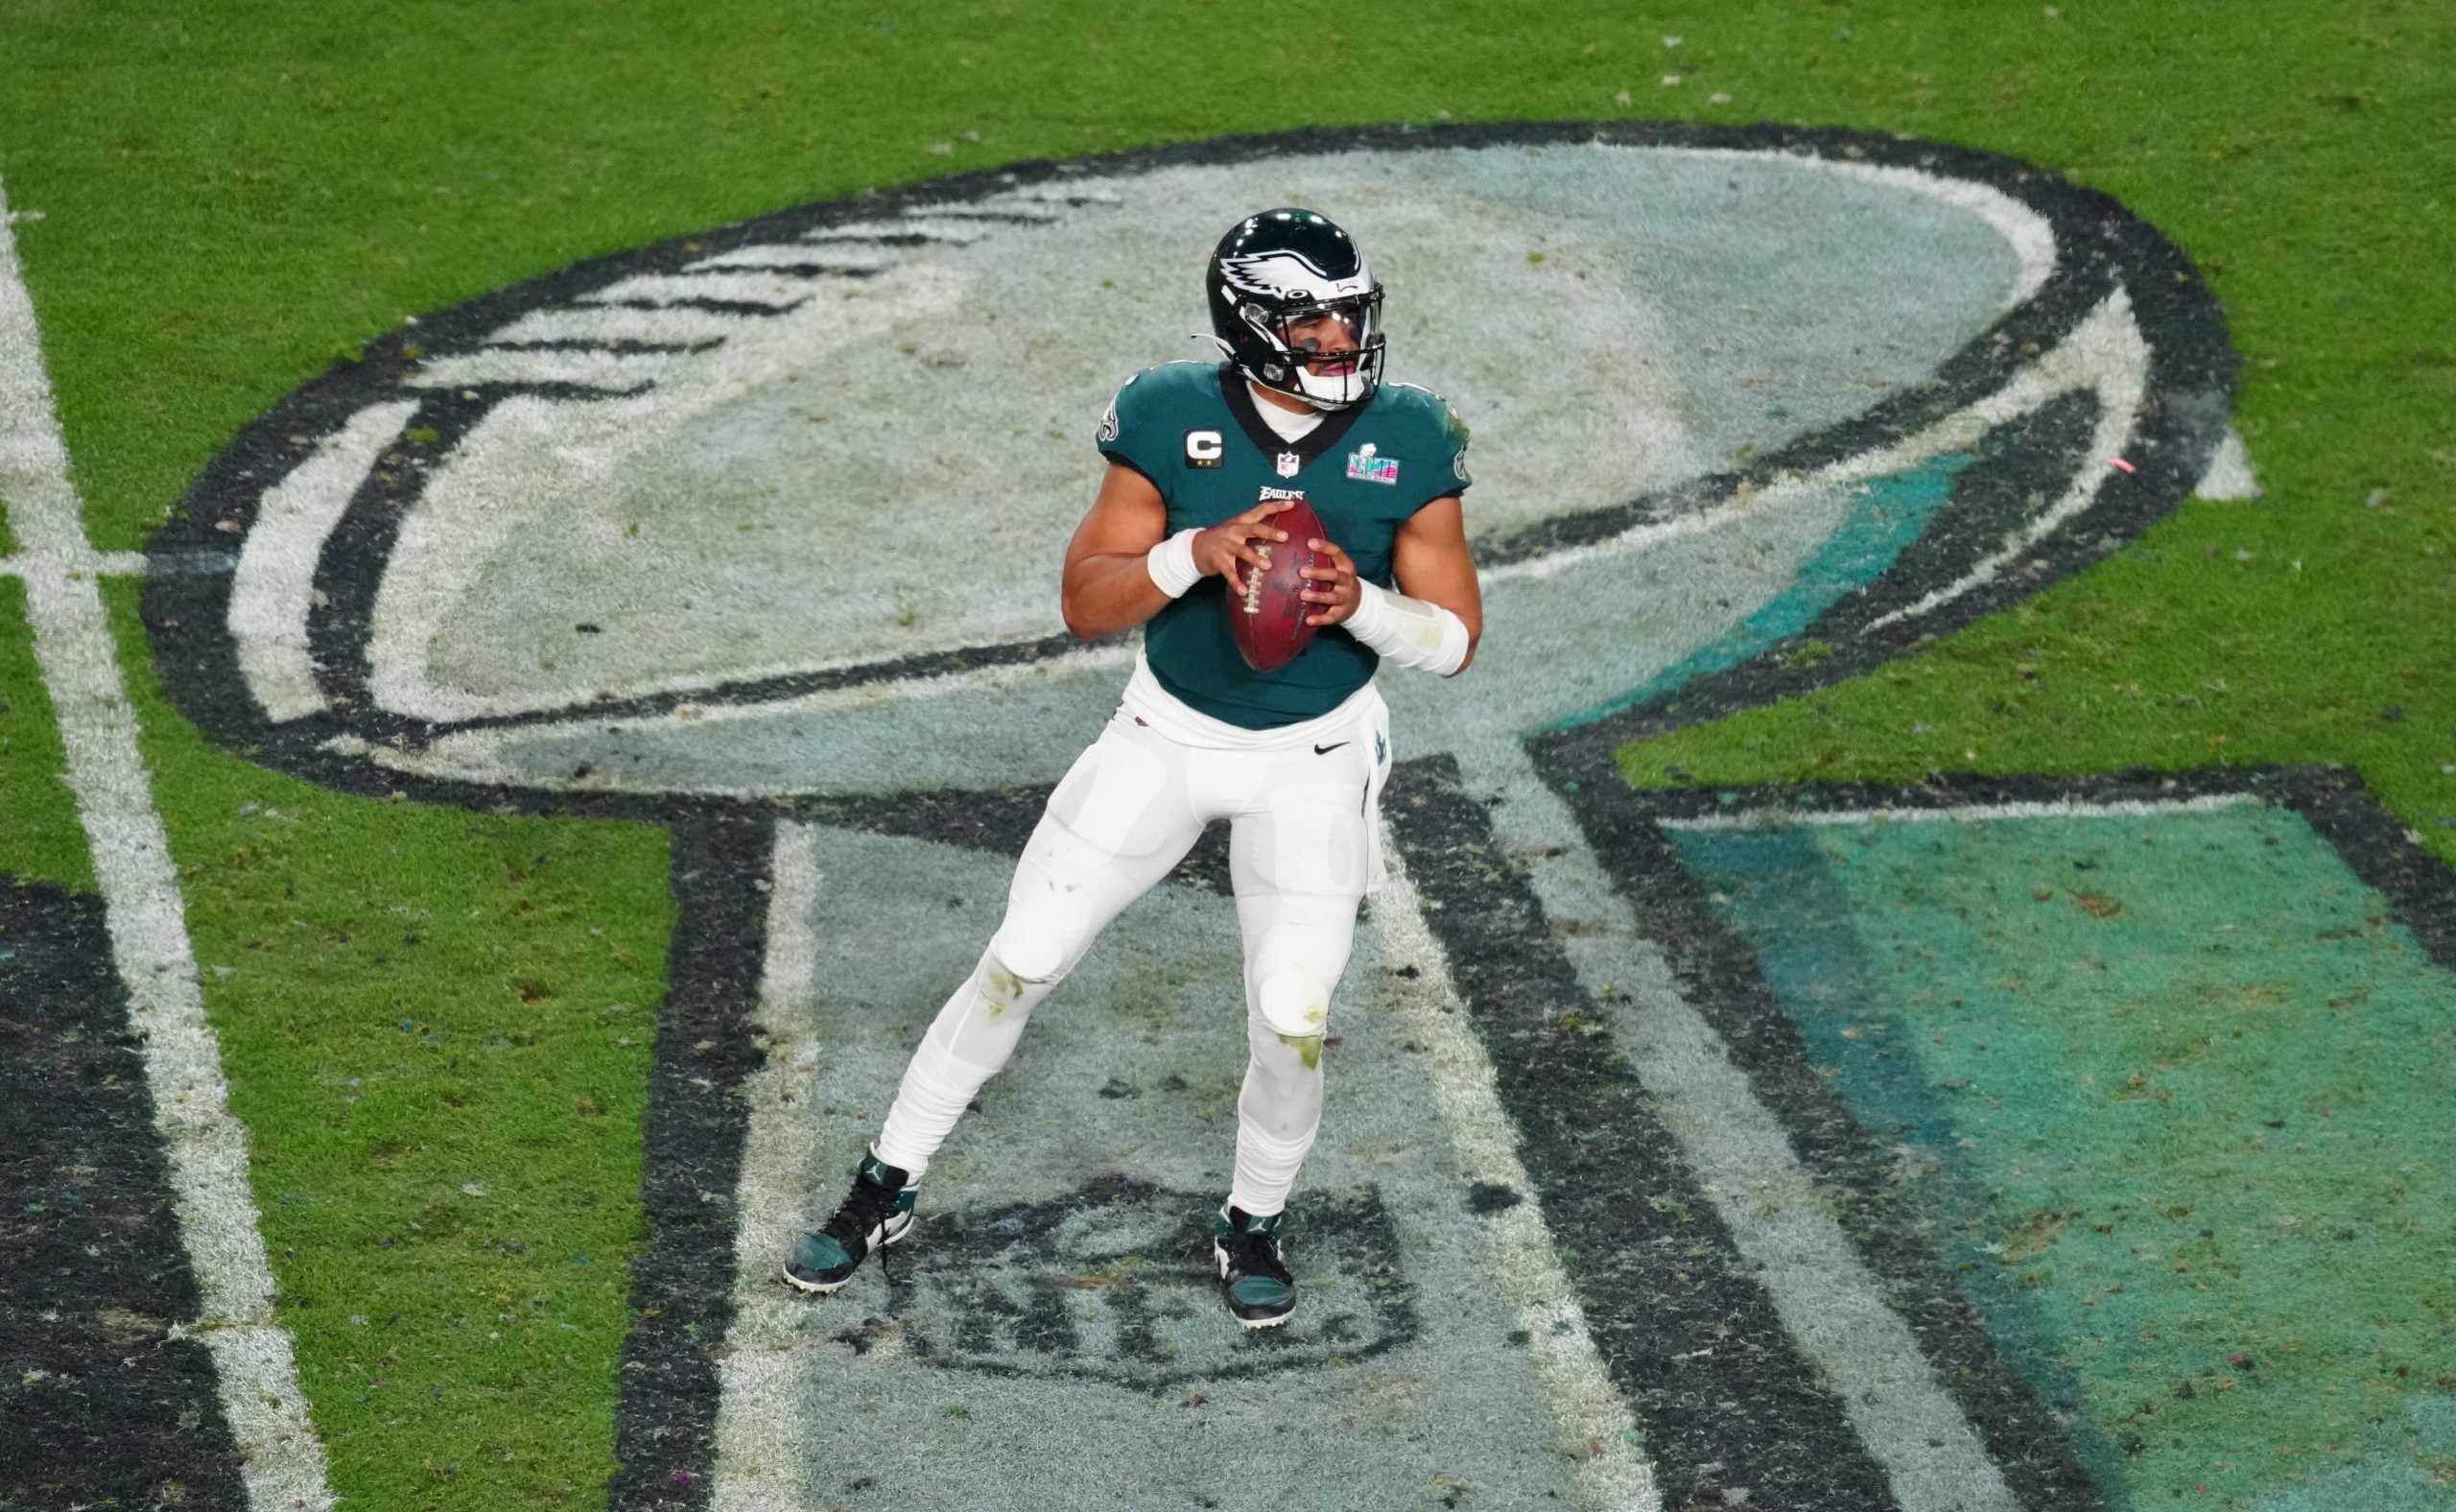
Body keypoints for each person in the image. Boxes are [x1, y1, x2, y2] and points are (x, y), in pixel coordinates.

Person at [785, 207, 1482, 1328]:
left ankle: (1252, 1217)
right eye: (1311, 321)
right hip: (1164, 735)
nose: (1339, 342)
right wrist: (1193, 553)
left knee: (1291, 1011)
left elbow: (1454, 641)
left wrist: (1370, 608)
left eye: (1349, 317)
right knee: (1022, 955)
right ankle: (885, 1184)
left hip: (1314, 756)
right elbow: (1084, 603)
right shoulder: (1166, 414)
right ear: (1249, 322)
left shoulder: (1411, 433)